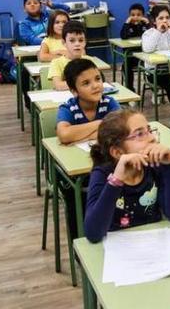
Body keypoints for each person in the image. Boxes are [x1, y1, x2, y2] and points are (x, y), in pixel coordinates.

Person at [83, 109, 170, 243]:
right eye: (140, 134)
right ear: (117, 152)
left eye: (149, 130)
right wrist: (116, 181)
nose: (152, 138)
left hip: (154, 244)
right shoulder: (102, 174)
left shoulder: (154, 165)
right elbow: (93, 234)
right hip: (116, 250)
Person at [55, 58, 122, 238]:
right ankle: (80, 240)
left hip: (106, 167)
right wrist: (101, 124)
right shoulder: (68, 107)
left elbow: (120, 128)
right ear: (74, 90)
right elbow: (64, 135)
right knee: (75, 194)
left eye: (98, 79)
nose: (95, 86)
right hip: (76, 174)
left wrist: (82, 132)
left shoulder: (109, 103)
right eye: (86, 83)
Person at [140, 4, 170, 124]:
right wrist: (158, 31)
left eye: (167, 17)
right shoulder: (149, 33)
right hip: (155, 72)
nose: (165, 20)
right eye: (161, 18)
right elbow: (148, 49)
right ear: (154, 21)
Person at [48, 21, 88, 91]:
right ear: (64, 43)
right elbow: (58, 85)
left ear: (85, 42)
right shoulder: (56, 63)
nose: (77, 44)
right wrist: (84, 83)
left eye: (81, 40)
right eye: (72, 40)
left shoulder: (89, 61)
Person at [119, 3, 150, 91]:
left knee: (153, 65)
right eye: (132, 15)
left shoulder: (144, 25)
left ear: (143, 16)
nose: (135, 17)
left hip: (144, 55)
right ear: (129, 16)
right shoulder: (128, 25)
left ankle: (154, 87)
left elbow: (152, 33)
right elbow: (123, 36)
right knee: (126, 65)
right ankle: (130, 89)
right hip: (131, 56)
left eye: (139, 15)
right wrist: (126, 23)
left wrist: (147, 22)